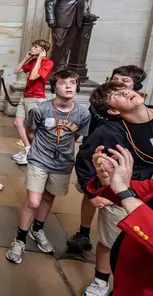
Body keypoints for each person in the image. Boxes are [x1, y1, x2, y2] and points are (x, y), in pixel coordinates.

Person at [73, 81, 153, 296]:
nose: (127, 91)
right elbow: (86, 162)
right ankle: (101, 280)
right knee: (112, 241)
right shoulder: (109, 132)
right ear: (113, 110)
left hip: (141, 195)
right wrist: (97, 188)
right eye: (117, 94)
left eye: (125, 87)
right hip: (125, 194)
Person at [6, 70, 91, 264]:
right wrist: (39, 148)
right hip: (39, 159)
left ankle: (37, 229)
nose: (69, 86)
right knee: (33, 201)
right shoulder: (40, 109)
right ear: (55, 87)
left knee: (48, 196)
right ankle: (19, 239)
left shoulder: (82, 113)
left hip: (63, 163)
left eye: (72, 82)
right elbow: (30, 131)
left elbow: (75, 137)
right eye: (63, 83)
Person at [67, 65, 146, 256]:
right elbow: (89, 132)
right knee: (93, 198)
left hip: (138, 182)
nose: (118, 85)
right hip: (105, 167)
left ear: (135, 87)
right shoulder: (106, 120)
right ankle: (84, 232)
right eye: (115, 80)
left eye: (124, 82)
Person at [87, 145, 153, 296]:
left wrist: (125, 193)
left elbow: (128, 194)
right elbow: (145, 190)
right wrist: (109, 179)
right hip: (128, 279)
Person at [11, 39, 54, 165]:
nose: (32, 49)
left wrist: (40, 59)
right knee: (17, 122)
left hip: (36, 97)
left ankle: (37, 154)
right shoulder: (33, 60)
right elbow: (16, 71)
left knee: (32, 128)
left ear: (42, 50)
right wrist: (26, 58)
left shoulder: (48, 63)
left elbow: (33, 77)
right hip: (25, 96)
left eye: (35, 47)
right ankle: (28, 149)